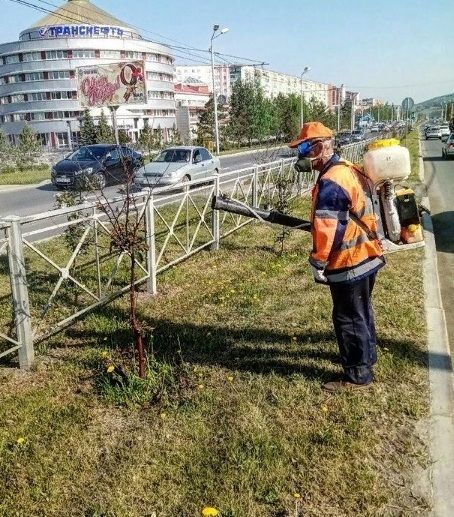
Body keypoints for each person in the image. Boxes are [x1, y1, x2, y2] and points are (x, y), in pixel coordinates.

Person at [288, 122, 385, 392]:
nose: (301, 155)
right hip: (368, 253)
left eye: (304, 148)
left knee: (348, 318)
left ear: (320, 146)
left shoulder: (331, 180)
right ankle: (365, 356)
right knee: (361, 311)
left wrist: (318, 262)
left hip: (350, 261)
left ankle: (357, 375)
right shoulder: (347, 169)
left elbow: (327, 228)